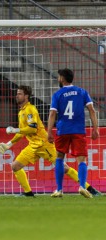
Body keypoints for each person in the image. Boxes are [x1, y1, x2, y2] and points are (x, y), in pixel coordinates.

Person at [0, 85, 101, 197]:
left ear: (26, 96)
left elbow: (32, 128)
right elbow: (22, 132)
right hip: (33, 145)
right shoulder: (21, 112)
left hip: (44, 144)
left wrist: (14, 129)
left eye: (20, 93)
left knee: (64, 168)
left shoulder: (30, 109)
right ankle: (28, 193)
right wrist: (9, 144)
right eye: (17, 93)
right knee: (15, 166)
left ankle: (90, 189)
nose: (17, 95)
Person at [47, 68, 99, 198]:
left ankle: (59, 190)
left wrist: (49, 131)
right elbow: (92, 110)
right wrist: (95, 128)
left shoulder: (57, 94)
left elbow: (52, 113)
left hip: (63, 130)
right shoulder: (82, 92)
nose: (58, 79)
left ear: (63, 78)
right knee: (81, 159)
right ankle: (82, 186)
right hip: (78, 130)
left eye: (59, 77)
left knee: (59, 157)